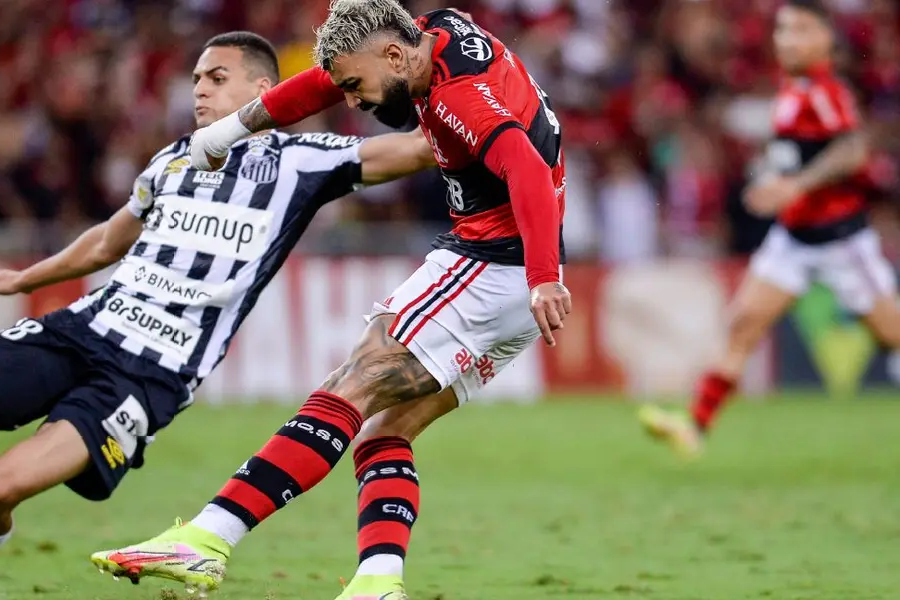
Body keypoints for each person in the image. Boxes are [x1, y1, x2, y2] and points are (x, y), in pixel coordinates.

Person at [0, 31, 437, 600]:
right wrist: (29, 276)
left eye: (216, 77)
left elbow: (417, 150)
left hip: (147, 377)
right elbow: (107, 240)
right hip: (82, 328)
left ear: (263, 89)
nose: (199, 90)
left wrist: (470, 95)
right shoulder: (173, 159)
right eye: (196, 78)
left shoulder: (305, 162)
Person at [91, 3, 570, 599]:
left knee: (351, 383)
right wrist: (225, 132)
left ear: (395, 56)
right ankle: (378, 583)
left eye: (356, 87)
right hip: (508, 281)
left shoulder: (456, 98)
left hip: (492, 265)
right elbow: (318, 83)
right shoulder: (433, 33)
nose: (352, 102)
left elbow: (523, 162)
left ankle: (208, 538)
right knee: (380, 434)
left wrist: (543, 276)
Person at [638, 0, 900, 458]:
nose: (787, 40)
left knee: (892, 336)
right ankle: (694, 428)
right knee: (742, 325)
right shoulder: (792, 88)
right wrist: (770, 179)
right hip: (794, 238)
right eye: (782, 31)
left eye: (800, 31)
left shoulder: (825, 90)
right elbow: (801, 152)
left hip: (840, 239)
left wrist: (794, 185)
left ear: (826, 42)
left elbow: (853, 149)